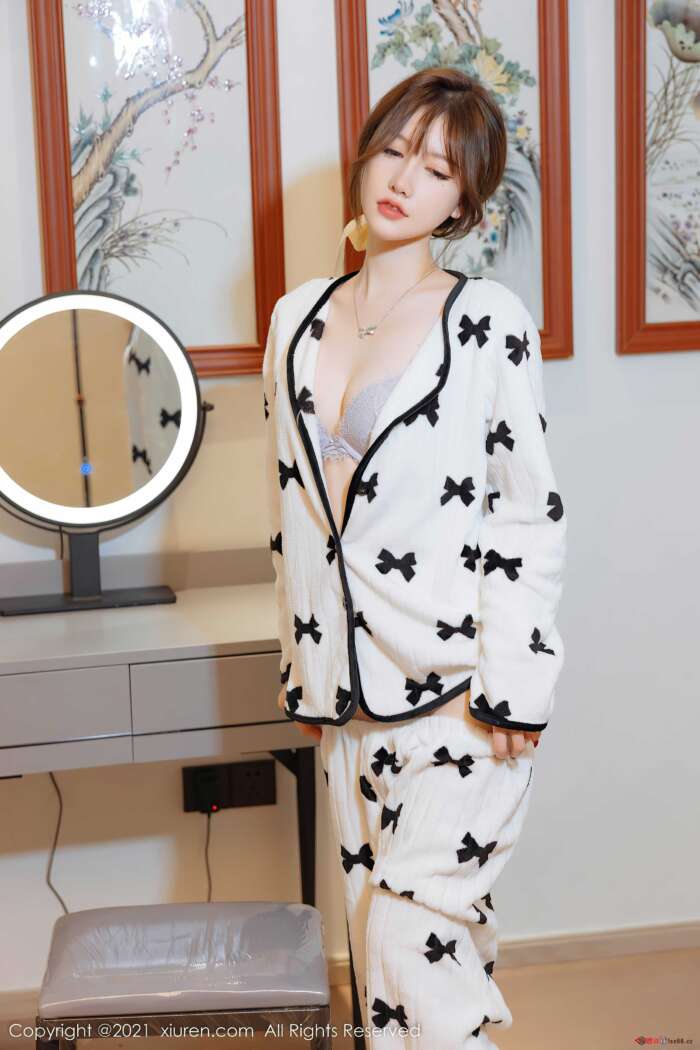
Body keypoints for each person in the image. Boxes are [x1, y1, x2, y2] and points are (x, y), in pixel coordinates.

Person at [263, 66, 567, 1047]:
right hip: (348, 693)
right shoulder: (296, 318)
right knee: (387, 971)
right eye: (393, 151)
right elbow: (290, 514)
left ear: (463, 201)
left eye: (436, 169)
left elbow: (527, 512)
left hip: (459, 689)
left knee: (408, 944)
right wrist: (304, 669)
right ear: (363, 160)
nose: (403, 179)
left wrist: (518, 684)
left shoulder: (487, 323)